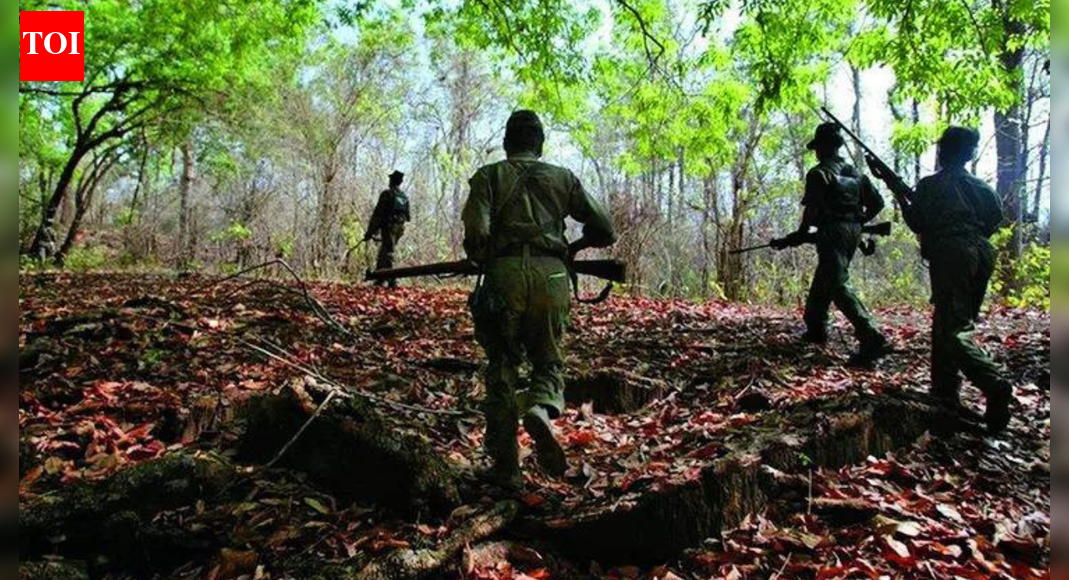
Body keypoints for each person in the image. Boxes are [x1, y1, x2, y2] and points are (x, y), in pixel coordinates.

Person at [462, 110, 617, 490]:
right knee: (548, 358)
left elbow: (476, 232)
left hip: (504, 275)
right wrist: (573, 247)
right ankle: (541, 407)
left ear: (506, 142)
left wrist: (483, 254)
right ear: (540, 143)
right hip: (551, 276)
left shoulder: (489, 176)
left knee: (501, 366)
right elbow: (605, 228)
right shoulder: (563, 178)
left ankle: (507, 469)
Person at [866, 127, 1013, 433]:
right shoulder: (981, 187)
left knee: (953, 329)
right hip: (982, 252)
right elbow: (994, 220)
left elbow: (917, 220)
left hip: (953, 253)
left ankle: (993, 381)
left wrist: (899, 193)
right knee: (950, 321)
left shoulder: (932, 185)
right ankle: (945, 393)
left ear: (945, 151)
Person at [775, 122, 890, 366]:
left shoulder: (819, 174)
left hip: (832, 233)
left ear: (825, 147)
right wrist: (858, 222)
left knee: (837, 284)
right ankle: (816, 327)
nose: (816, 151)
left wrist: (800, 233)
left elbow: (812, 209)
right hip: (852, 234)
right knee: (826, 277)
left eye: (818, 146)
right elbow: (878, 203)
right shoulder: (857, 174)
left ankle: (871, 335)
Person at [364, 170, 411, 288]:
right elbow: (408, 216)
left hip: (389, 227)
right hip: (399, 228)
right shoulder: (404, 197)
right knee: (384, 251)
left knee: (388, 252)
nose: (389, 181)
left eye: (390, 179)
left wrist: (370, 231)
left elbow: (378, 214)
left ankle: (392, 280)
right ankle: (380, 278)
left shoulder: (387, 194)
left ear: (392, 181)